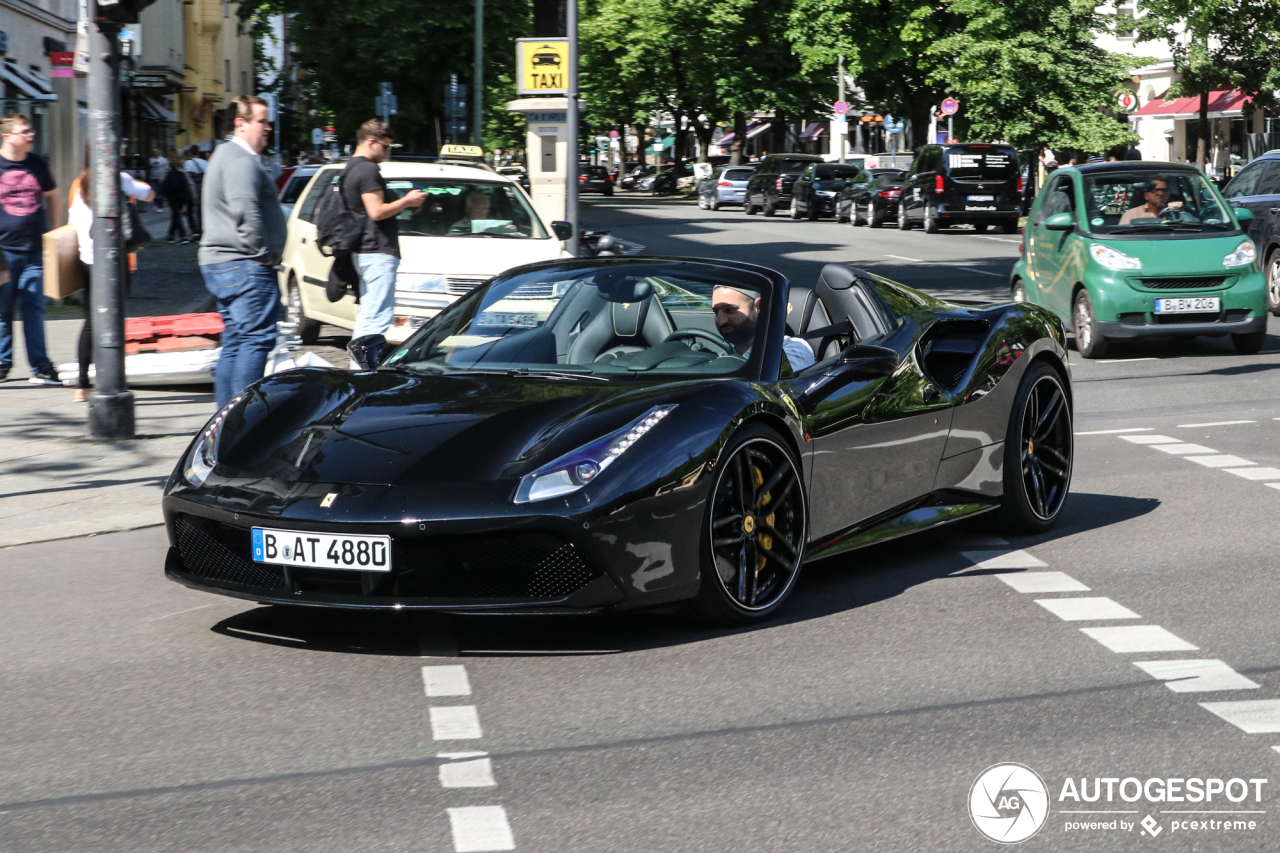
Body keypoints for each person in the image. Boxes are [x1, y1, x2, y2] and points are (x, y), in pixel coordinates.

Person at [199, 95, 288, 407]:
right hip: (245, 266)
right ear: (240, 124)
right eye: (261, 121)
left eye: (268, 122)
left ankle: (224, 421)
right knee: (254, 341)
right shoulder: (239, 159)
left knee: (236, 342)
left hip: (226, 263)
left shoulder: (224, 156)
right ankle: (238, 422)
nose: (268, 128)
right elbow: (245, 213)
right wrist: (263, 254)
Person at [68, 153, 153, 401]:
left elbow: (73, 221)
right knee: (113, 320)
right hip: (112, 261)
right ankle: (111, 378)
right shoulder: (116, 178)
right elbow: (148, 193)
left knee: (90, 321)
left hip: (86, 259)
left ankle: (81, 385)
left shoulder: (77, 183)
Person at [340, 120, 425, 348]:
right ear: (371, 142)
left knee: (369, 316)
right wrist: (407, 201)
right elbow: (376, 211)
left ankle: (358, 370)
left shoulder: (350, 168)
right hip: (376, 252)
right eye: (385, 147)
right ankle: (364, 372)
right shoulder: (367, 170)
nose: (387, 153)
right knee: (377, 319)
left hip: (363, 250)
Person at [0, 113, 61, 385]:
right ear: (7, 136)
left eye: (31, 131)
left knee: (34, 306)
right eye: (24, 131)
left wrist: (54, 233)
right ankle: (3, 362)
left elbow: (53, 195)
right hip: (3, 251)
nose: (31, 135)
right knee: (3, 309)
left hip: (36, 250)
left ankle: (41, 366)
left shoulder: (36, 163)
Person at [711, 284, 814, 370]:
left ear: (759, 306)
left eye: (729, 309)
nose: (721, 320)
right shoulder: (721, 358)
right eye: (716, 312)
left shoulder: (792, 349)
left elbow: (780, 388)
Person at [161, 151, 195, 243]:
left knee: (176, 213)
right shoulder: (182, 165)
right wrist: (193, 195)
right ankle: (175, 235)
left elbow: (163, 179)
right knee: (176, 214)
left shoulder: (168, 166)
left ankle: (178, 236)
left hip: (171, 194)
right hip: (181, 193)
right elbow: (189, 181)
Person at [448, 189, 518, 234]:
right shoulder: (458, 227)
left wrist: (512, 231)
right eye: (477, 208)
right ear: (468, 209)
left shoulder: (497, 224)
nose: (481, 212)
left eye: (485, 209)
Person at [183, 146, 207, 236]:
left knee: (189, 210)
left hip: (190, 189)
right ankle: (202, 228)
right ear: (199, 152)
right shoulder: (205, 162)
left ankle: (193, 229)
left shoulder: (187, 163)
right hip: (203, 188)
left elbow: (186, 178)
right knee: (201, 210)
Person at [148, 146, 169, 212]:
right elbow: (150, 168)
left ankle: (160, 206)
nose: (154, 153)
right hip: (153, 178)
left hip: (161, 178)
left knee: (160, 193)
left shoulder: (164, 160)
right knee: (154, 193)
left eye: (156, 151)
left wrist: (165, 177)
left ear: (159, 152)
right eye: (153, 152)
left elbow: (167, 169)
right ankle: (156, 205)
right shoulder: (151, 160)